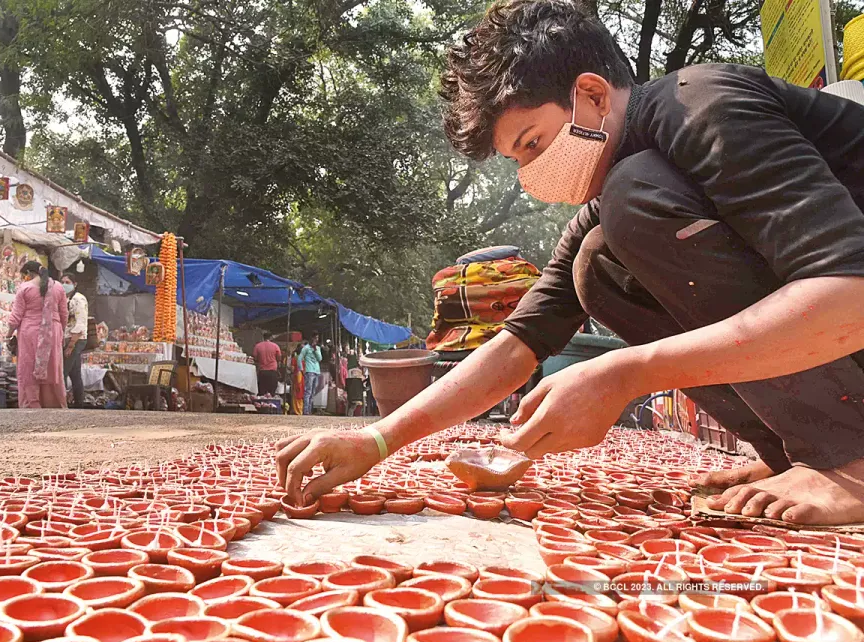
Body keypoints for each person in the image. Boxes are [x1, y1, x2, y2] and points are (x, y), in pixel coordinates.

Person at [275, 0, 864, 525]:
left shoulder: (702, 104)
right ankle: (796, 448)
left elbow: (850, 293)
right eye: (517, 161)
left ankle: (851, 458)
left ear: (592, 95)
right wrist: (377, 440)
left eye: (532, 143)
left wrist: (624, 374)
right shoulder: (616, 198)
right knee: (597, 265)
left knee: (629, 204)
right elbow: (516, 346)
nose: (531, 176)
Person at [7, 261, 69, 408]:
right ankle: (54, 404)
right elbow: (64, 315)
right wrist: (60, 333)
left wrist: (8, 335)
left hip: (29, 332)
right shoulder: (58, 287)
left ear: (29, 273)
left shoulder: (25, 288)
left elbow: (15, 317)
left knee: (28, 367)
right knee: (52, 367)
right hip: (53, 331)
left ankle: (32, 403)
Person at [60, 274, 88, 408]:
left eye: (68, 282)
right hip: (68, 338)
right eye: (63, 282)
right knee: (75, 373)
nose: (65, 284)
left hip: (75, 339)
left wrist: (71, 345)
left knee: (63, 372)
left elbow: (81, 322)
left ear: (74, 284)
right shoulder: (66, 299)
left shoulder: (79, 299)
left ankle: (62, 402)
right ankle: (78, 403)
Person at [298, 334, 322, 415]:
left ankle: (309, 410)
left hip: (317, 371)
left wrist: (315, 350)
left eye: (317, 338)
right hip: (309, 371)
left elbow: (320, 359)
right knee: (308, 391)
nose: (316, 339)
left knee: (313, 392)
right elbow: (299, 358)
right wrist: (301, 369)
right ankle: (306, 411)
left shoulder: (318, 348)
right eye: (315, 338)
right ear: (311, 338)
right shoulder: (306, 348)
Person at [252, 330, 282, 397]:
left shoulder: (257, 346)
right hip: (272, 372)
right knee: (272, 392)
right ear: (271, 337)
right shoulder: (275, 346)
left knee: (262, 391)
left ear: (263, 337)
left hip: (262, 371)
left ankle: (262, 403)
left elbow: (255, 358)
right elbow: (279, 358)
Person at [291, 344, 304, 415]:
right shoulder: (305, 359)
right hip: (303, 377)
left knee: (296, 393)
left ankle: (297, 410)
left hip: (297, 377)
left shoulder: (295, 358)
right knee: (301, 393)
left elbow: (292, 369)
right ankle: (300, 409)